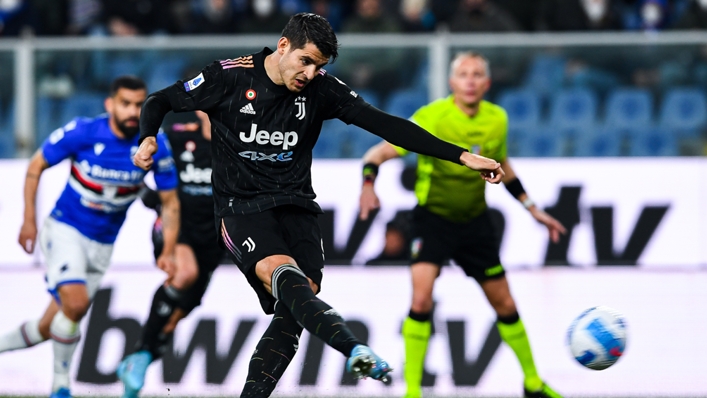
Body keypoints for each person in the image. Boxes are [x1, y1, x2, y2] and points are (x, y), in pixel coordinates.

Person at [130, 13, 504, 398]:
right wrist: (147, 138)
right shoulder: (229, 76)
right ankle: (353, 348)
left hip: (298, 207)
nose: (309, 73)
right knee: (287, 279)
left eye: (319, 66)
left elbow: (386, 125)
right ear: (283, 46)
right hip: (241, 209)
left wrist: (461, 156)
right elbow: (161, 100)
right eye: (305, 61)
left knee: (294, 308)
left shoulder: (322, 89)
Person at [358, 52, 566, 398]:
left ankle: (532, 383)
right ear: (452, 83)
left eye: (477, 75)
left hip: (474, 223)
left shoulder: (497, 119)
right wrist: (369, 182)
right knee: (421, 300)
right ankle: (413, 391)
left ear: (486, 83)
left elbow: (504, 165)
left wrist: (532, 208)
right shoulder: (433, 117)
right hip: (432, 221)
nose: (470, 80)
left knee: (506, 305)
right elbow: (377, 154)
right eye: (463, 75)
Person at [0, 76, 179, 398]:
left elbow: (170, 202)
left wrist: (169, 249)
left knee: (49, 326)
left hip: (102, 245)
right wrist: (28, 220)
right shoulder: (84, 131)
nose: (132, 111)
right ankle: (61, 387)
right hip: (65, 228)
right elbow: (36, 165)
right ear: (110, 104)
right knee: (77, 302)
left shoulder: (155, 145)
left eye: (140, 105)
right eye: (125, 103)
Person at [117, 110, 227, 398]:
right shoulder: (179, 137)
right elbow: (137, 154)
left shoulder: (238, 144)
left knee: (175, 317)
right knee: (185, 273)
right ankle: (140, 356)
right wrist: (149, 195)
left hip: (213, 237)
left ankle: (135, 364)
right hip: (177, 228)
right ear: (203, 109)